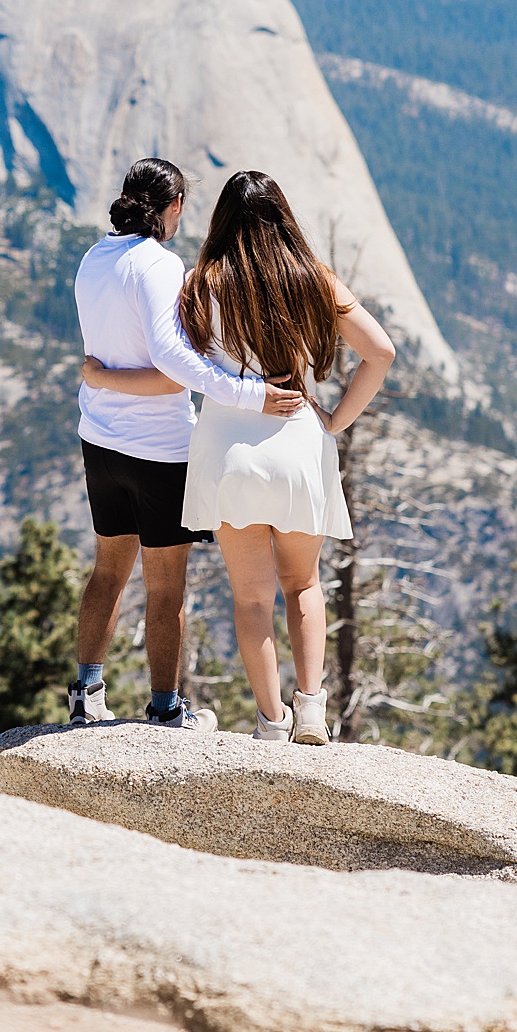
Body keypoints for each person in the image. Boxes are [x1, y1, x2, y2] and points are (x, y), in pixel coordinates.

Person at [82, 170, 393, 745]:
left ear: (222, 219)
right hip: (299, 442)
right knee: (303, 586)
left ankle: (270, 723)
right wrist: (335, 419)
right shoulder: (313, 279)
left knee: (251, 598)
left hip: (228, 454)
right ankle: (311, 712)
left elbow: (175, 370)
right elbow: (381, 351)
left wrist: (103, 378)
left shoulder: (202, 283)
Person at [68, 157, 306, 730]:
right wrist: (248, 393)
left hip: (100, 439)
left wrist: (100, 380)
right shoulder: (159, 264)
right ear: (171, 207)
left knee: (107, 571)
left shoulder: (93, 258)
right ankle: (165, 709)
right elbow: (172, 361)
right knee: (165, 582)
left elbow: (109, 357)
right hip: (159, 448)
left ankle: (86, 691)